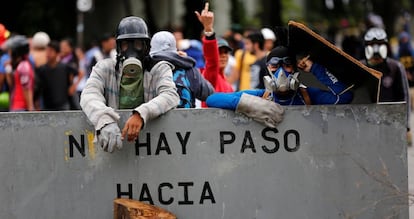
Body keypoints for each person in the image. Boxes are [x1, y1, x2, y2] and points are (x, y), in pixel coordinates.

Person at [80, 16, 179, 153]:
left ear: (146, 46)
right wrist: (105, 120)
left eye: (138, 44)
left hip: (152, 151)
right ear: (119, 47)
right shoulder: (104, 68)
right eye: (126, 44)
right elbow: (89, 95)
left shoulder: (158, 68)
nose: (132, 49)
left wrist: (141, 114)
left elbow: (170, 95)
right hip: (116, 153)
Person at [206, 45, 354, 127]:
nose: (281, 71)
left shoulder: (308, 95)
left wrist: (315, 68)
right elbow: (212, 99)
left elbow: (345, 96)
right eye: (275, 65)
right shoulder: (261, 97)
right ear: (268, 69)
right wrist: (251, 105)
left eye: (287, 65)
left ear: (295, 69)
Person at [360, 27, 411, 145]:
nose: (375, 48)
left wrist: (405, 123)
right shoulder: (360, 67)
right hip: (366, 123)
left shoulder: (395, 67)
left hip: (390, 123)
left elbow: (405, 96)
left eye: (379, 44)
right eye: (372, 44)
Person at [149, 30, 214, 108]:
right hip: (186, 118)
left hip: (153, 118)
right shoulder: (188, 68)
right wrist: (187, 63)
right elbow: (209, 94)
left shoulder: (146, 67)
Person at [195, 2, 234, 107]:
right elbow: (212, 62)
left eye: (226, 52)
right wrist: (208, 30)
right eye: (219, 52)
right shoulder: (210, 76)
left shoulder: (227, 84)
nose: (223, 55)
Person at [35, 40, 77, 111]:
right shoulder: (41, 69)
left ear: (57, 53)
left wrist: (73, 85)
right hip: (47, 106)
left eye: (51, 51)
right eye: (47, 51)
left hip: (63, 105)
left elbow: (79, 73)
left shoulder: (64, 67)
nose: (48, 54)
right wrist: (37, 104)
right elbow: (38, 88)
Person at [7, 35, 36, 111]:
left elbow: (26, 88)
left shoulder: (23, 66)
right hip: (17, 106)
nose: (9, 52)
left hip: (21, 108)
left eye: (11, 50)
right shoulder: (21, 65)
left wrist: (30, 108)